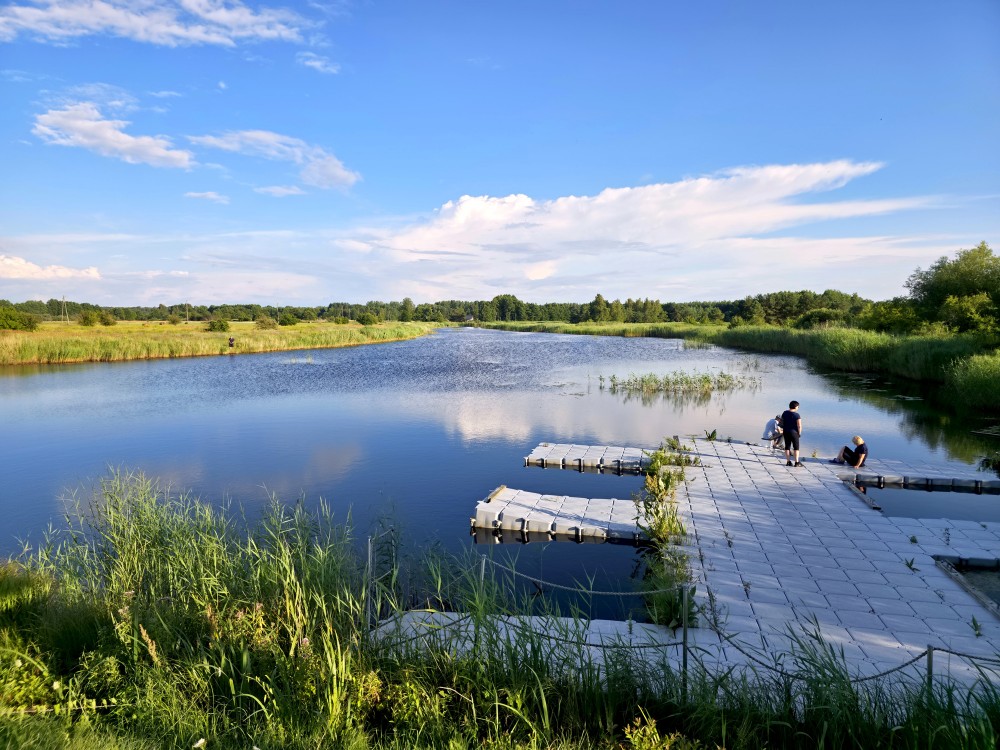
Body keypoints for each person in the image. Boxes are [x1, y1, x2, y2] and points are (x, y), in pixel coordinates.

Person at [781, 400, 803, 467]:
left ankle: (788, 462)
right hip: (794, 433)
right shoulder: (797, 415)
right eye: (798, 407)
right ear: (796, 407)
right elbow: (799, 425)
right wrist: (799, 433)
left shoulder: (784, 413)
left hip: (786, 432)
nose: (798, 408)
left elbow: (782, 422)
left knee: (787, 446)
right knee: (796, 448)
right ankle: (796, 462)